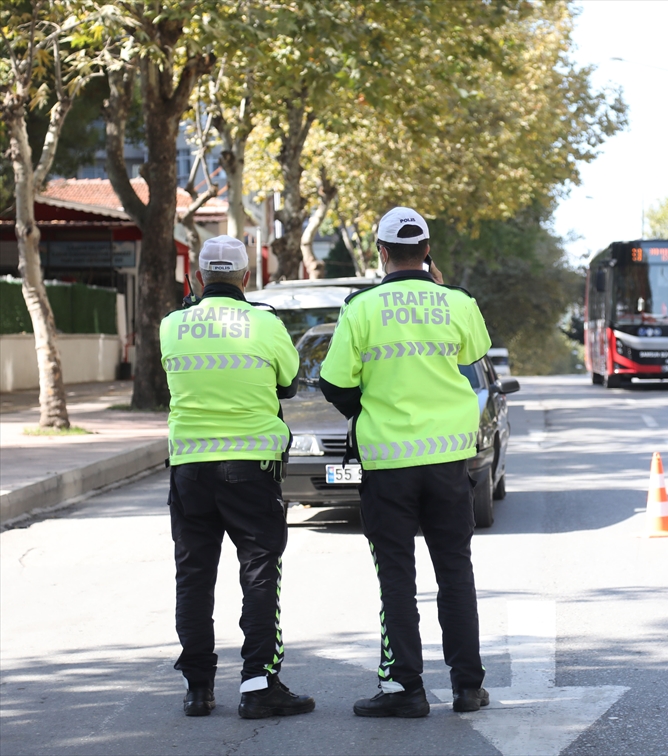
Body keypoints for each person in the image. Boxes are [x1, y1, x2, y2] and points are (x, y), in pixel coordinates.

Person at [319, 207, 492, 718]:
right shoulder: (457, 302)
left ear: (380, 252)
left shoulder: (361, 308)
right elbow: (474, 354)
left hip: (387, 463)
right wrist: (439, 289)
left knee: (396, 576)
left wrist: (366, 407)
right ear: (428, 251)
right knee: (455, 572)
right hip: (448, 463)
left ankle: (406, 691)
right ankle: (467, 688)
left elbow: (334, 383)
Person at [160, 235, 314, 719]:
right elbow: (288, 384)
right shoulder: (264, 324)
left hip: (189, 472)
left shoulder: (172, 326)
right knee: (260, 574)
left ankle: (199, 689)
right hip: (251, 469)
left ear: (200, 277)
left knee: (194, 576)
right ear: (247, 278)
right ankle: (258, 684)